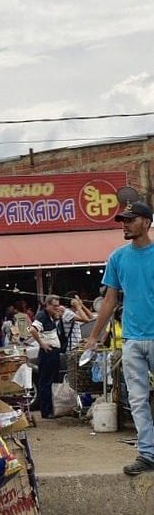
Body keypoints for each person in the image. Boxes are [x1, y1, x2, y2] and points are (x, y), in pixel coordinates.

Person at [84, 201, 154, 475]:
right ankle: (148, 454)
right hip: (133, 339)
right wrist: (94, 336)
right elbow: (110, 300)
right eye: (122, 220)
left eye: (130, 219)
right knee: (137, 400)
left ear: (147, 222)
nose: (124, 224)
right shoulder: (117, 258)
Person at [29, 295, 64, 420]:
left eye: (57, 306)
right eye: (54, 306)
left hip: (53, 352)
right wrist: (42, 343)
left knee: (52, 381)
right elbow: (32, 330)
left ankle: (51, 409)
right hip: (47, 353)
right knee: (46, 382)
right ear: (47, 305)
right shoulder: (42, 316)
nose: (56, 308)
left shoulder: (51, 317)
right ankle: (46, 410)